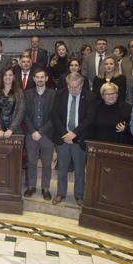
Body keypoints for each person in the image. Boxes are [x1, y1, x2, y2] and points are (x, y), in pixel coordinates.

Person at [51, 73, 96, 206]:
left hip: (79, 138)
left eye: (76, 87)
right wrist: (65, 133)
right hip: (63, 138)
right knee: (62, 169)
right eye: (70, 87)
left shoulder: (90, 97)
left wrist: (74, 134)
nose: (73, 90)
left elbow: (89, 118)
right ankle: (60, 193)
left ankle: (79, 195)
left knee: (79, 169)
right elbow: (54, 115)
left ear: (82, 85)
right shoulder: (60, 94)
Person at [23, 68, 56, 199]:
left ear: (46, 79)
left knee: (47, 163)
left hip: (47, 134)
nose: (40, 79)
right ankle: (31, 186)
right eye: (37, 77)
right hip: (31, 134)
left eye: (42, 77)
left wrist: (41, 132)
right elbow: (24, 114)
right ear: (34, 79)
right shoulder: (27, 94)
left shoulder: (53, 94)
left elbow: (55, 116)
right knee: (31, 162)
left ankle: (45, 188)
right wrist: (32, 131)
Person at [0, 67, 25, 139]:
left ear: (14, 77)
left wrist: (11, 129)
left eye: (10, 75)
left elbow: (21, 111)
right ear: (2, 77)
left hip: (14, 129)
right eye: (5, 75)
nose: (8, 77)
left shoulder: (20, 92)